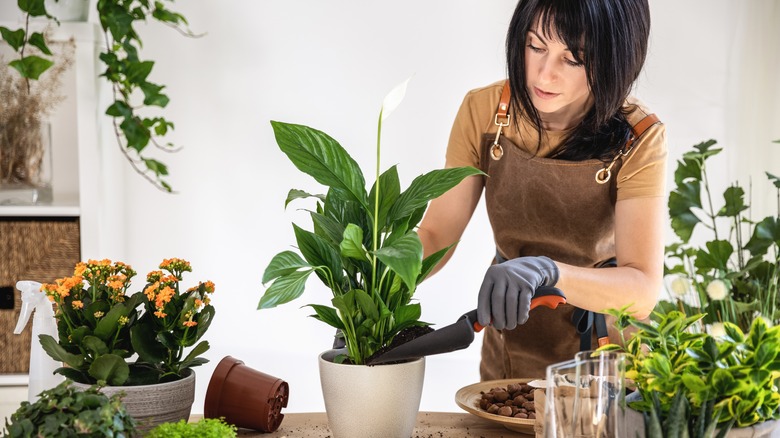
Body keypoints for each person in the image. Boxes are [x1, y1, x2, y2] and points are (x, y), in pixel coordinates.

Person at [417, 0, 667, 379]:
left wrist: (547, 272)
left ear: (618, 57)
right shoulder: (484, 112)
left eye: (573, 59)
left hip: (604, 358)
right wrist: (376, 286)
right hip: (511, 339)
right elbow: (437, 233)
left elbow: (642, 289)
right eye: (535, 46)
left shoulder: (639, 137)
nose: (544, 74)